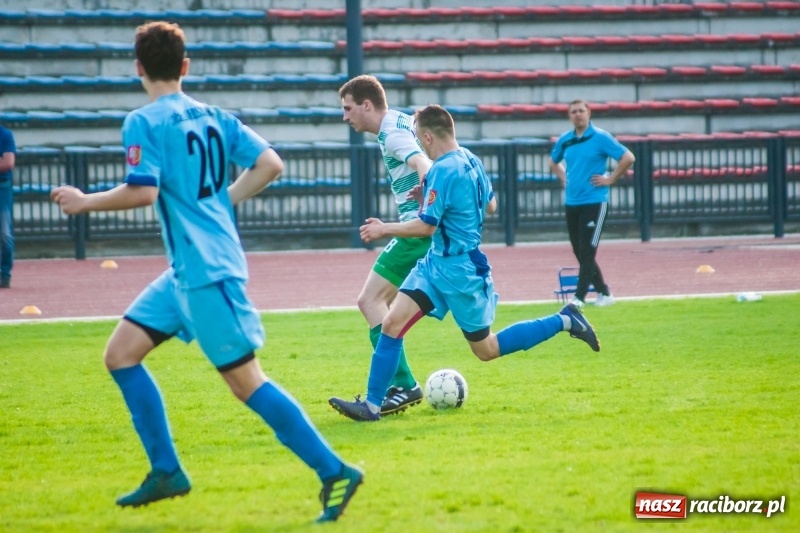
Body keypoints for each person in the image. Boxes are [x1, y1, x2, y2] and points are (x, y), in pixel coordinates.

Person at [50, 21, 361, 523]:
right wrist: (222, 200)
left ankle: (335, 471)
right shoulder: (216, 117)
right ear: (185, 65)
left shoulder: (144, 121)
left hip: (206, 273)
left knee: (247, 383)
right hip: (187, 271)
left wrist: (84, 202)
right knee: (121, 354)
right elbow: (271, 164)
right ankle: (166, 470)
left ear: (138, 69)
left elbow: (144, 191)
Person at [329, 105, 600, 422]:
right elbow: (493, 206)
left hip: (462, 272)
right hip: (434, 266)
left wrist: (383, 228)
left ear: (428, 136)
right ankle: (372, 407)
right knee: (390, 323)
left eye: (419, 138)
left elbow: (427, 227)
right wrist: (433, 199)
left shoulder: (443, 170)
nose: (419, 143)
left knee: (486, 349)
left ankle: (566, 320)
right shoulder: (471, 159)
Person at [337, 74, 433, 415]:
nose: (345, 116)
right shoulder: (402, 120)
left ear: (366, 105)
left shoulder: (392, 134)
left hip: (416, 230)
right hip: (423, 228)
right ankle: (399, 385)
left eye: (348, 109)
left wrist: (428, 194)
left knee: (370, 300)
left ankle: (404, 385)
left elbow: (425, 163)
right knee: (383, 308)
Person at [548, 99, 635, 308]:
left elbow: (628, 157)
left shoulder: (601, 137)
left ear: (589, 113)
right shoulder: (566, 140)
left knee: (587, 249)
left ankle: (578, 298)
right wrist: (563, 176)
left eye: (581, 111)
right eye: (573, 112)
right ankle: (604, 293)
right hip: (572, 202)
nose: (578, 115)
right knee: (579, 250)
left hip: (595, 201)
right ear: (569, 116)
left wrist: (611, 179)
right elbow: (553, 161)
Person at [0, 123, 16, 289]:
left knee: (5, 234)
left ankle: (4, 273)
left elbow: (8, 162)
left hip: (2, 186)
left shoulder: (4, 134)